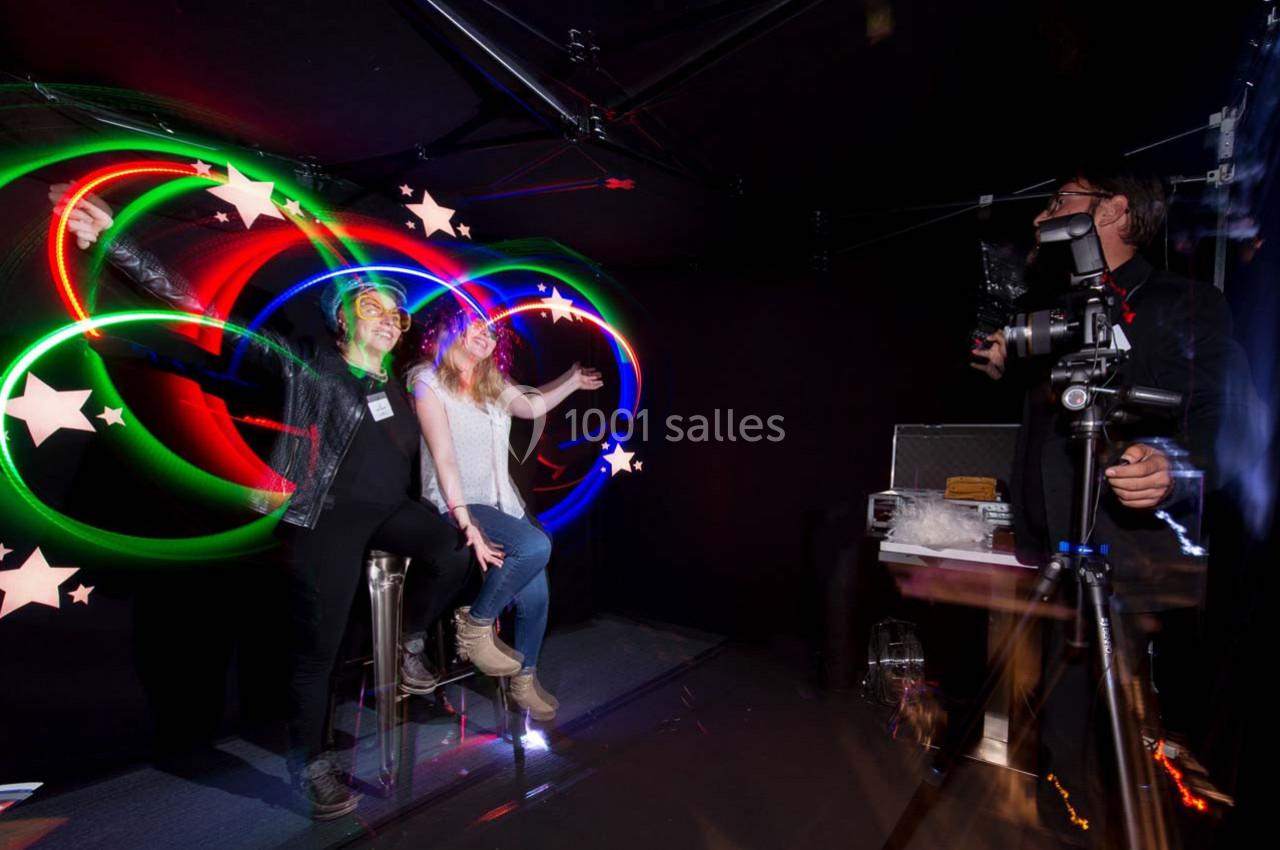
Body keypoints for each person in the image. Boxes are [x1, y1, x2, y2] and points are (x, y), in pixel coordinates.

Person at [52, 184, 474, 821]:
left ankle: (410, 643)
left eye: (397, 314)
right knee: (319, 654)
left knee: (453, 546)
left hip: (388, 513)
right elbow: (201, 311)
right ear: (343, 319)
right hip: (325, 519)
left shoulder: (393, 384)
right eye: (373, 307)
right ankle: (311, 767)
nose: (390, 319)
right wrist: (115, 242)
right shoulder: (309, 365)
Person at [970, 163, 1255, 843]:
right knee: (1061, 735)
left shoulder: (1185, 303)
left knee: (1130, 744)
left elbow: (1229, 423)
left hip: (1132, 566)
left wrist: (1175, 466)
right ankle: (1066, 829)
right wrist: (1001, 362)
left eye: (1058, 200)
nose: (1041, 215)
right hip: (1058, 557)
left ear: (1113, 210)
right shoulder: (1055, 313)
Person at [408, 302, 602, 721]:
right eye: (476, 327)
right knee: (535, 545)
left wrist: (571, 381)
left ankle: (524, 680)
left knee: (538, 594)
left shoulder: (490, 380)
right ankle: (475, 626)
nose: (487, 336)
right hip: (458, 500)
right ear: (450, 330)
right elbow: (444, 458)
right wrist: (463, 516)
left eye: (492, 332)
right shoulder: (427, 381)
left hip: (502, 501)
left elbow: (531, 406)